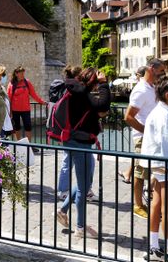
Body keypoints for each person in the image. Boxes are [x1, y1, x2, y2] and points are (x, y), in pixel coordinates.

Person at [54, 67, 110, 239]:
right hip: (80, 143)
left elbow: (96, 109)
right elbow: (103, 105)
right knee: (84, 186)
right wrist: (104, 85)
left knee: (83, 181)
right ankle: (80, 227)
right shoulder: (82, 94)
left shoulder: (75, 91)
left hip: (73, 140)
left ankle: (63, 210)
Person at [141, 78, 168, 262]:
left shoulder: (159, 112)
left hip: (159, 165)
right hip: (167, 167)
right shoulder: (165, 115)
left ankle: (154, 246)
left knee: (157, 206)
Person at [123, 58, 166, 219]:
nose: (163, 74)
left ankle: (149, 202)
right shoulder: (141, 89)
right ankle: (138, 205)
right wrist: (146, 132)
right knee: (140, 173)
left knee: (152, 171)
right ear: (151, 69)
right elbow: (128, 117)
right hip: (144, 138)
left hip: (154, 137)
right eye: (161, 70)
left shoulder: (152, 87)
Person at [7, 65, 47, 143]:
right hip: (15, 110)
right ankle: (18, 143)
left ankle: (29, 145)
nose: (23, 75)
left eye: (23, 73)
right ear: (16, 74)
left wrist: (41, 102)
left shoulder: (27, 82)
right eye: (21, 73)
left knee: (28, 127)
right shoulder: (11, 84)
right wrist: (9, 112)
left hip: (26, 109)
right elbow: (9, 99)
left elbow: (33, 94)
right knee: (17, 127)